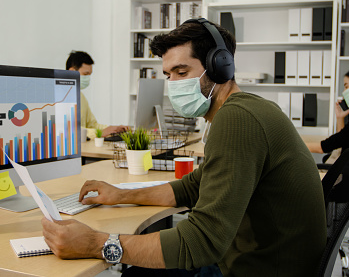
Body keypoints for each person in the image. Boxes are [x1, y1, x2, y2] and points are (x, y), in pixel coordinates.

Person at [43, 20, 326, 276]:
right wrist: (121, 194)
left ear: (220, 66)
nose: (174, 85)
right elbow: (193, 187)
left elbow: (202, 242)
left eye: (182, 72)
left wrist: (96, 244)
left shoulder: (237, 119)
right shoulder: (248, 109)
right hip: (262, 260)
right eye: (169, 75)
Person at [66, 51, 128, 139]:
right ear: (72, 71)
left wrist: (113, 129)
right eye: (85, 74)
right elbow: (70, 131)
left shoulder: (80, 95)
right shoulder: (59, 97)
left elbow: (92, 124)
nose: (87, 78)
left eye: (89, 75)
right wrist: (101, 132)